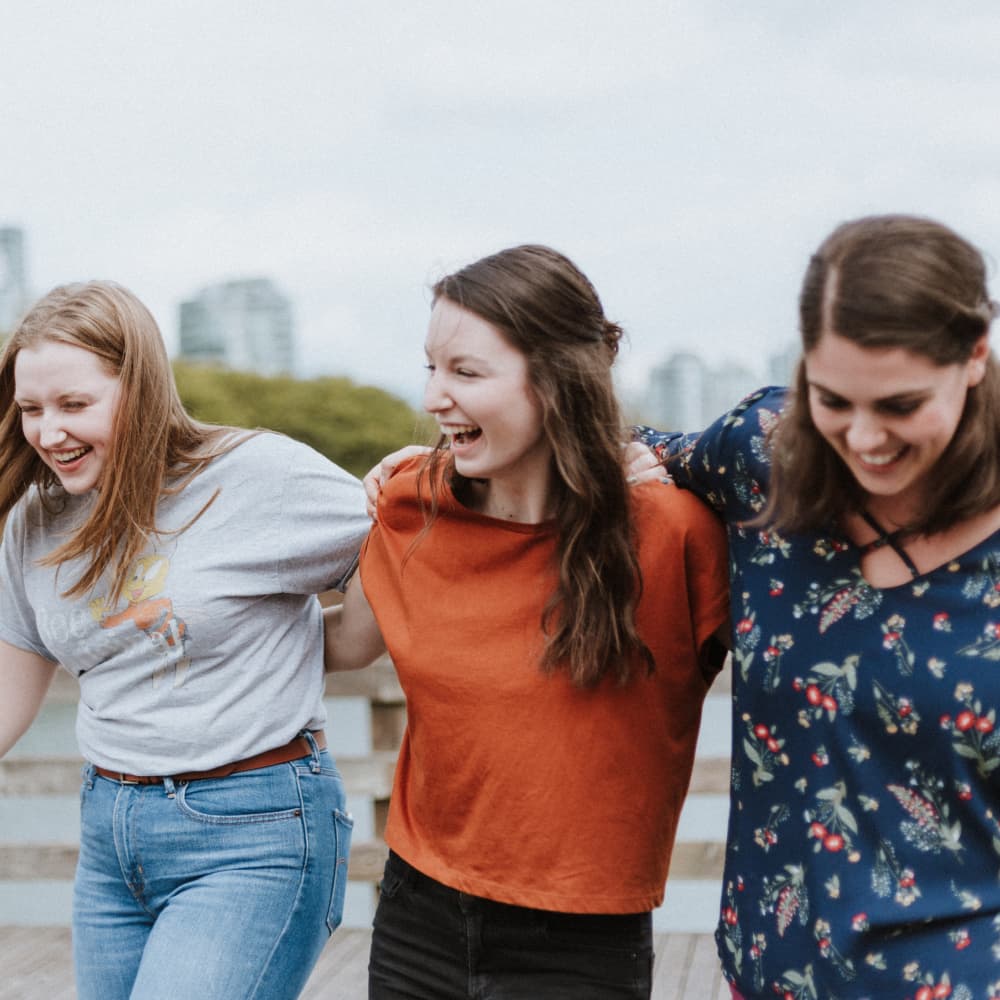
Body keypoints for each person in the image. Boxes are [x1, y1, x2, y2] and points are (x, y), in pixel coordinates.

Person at [325, 244, 730, 999]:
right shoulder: (412, 504)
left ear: (555, 383)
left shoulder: (673, 531)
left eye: (467, 373)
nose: (436, 397)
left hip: (582, 942)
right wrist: (187, 621)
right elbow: (343, 644)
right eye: (431, 368)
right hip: (418, 913)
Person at [628, 214, 1000, 998]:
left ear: (974, 357)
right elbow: (624, 450)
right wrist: (432, 471)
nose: (863, 438)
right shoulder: (766, 450)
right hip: (768, 975)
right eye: (833, 399)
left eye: (900, 405)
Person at [0, 281, 370, 1000]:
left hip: (255, 832)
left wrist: (321, 645)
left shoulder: (257, 476)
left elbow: (404, 550)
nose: (49, 432)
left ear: (139, 388)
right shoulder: (35, 522)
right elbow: (10, 689)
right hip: (110, 836)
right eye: (32, 409)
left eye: (75, 404)